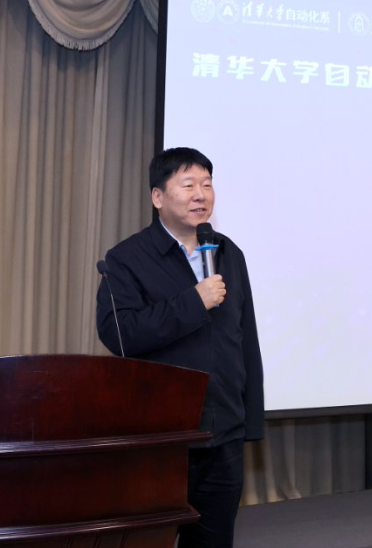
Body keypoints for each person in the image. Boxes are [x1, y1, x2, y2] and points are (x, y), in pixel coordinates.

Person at [96, 146, 264, 548]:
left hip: (223, 432)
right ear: (158, 197)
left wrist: (250, 420)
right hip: (162, 439)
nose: (200, 195)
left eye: (207, 184)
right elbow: (119, 333)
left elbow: (245, 338)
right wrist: (193, 302)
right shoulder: (127, 258)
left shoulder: (228, 253)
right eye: (188, 185)